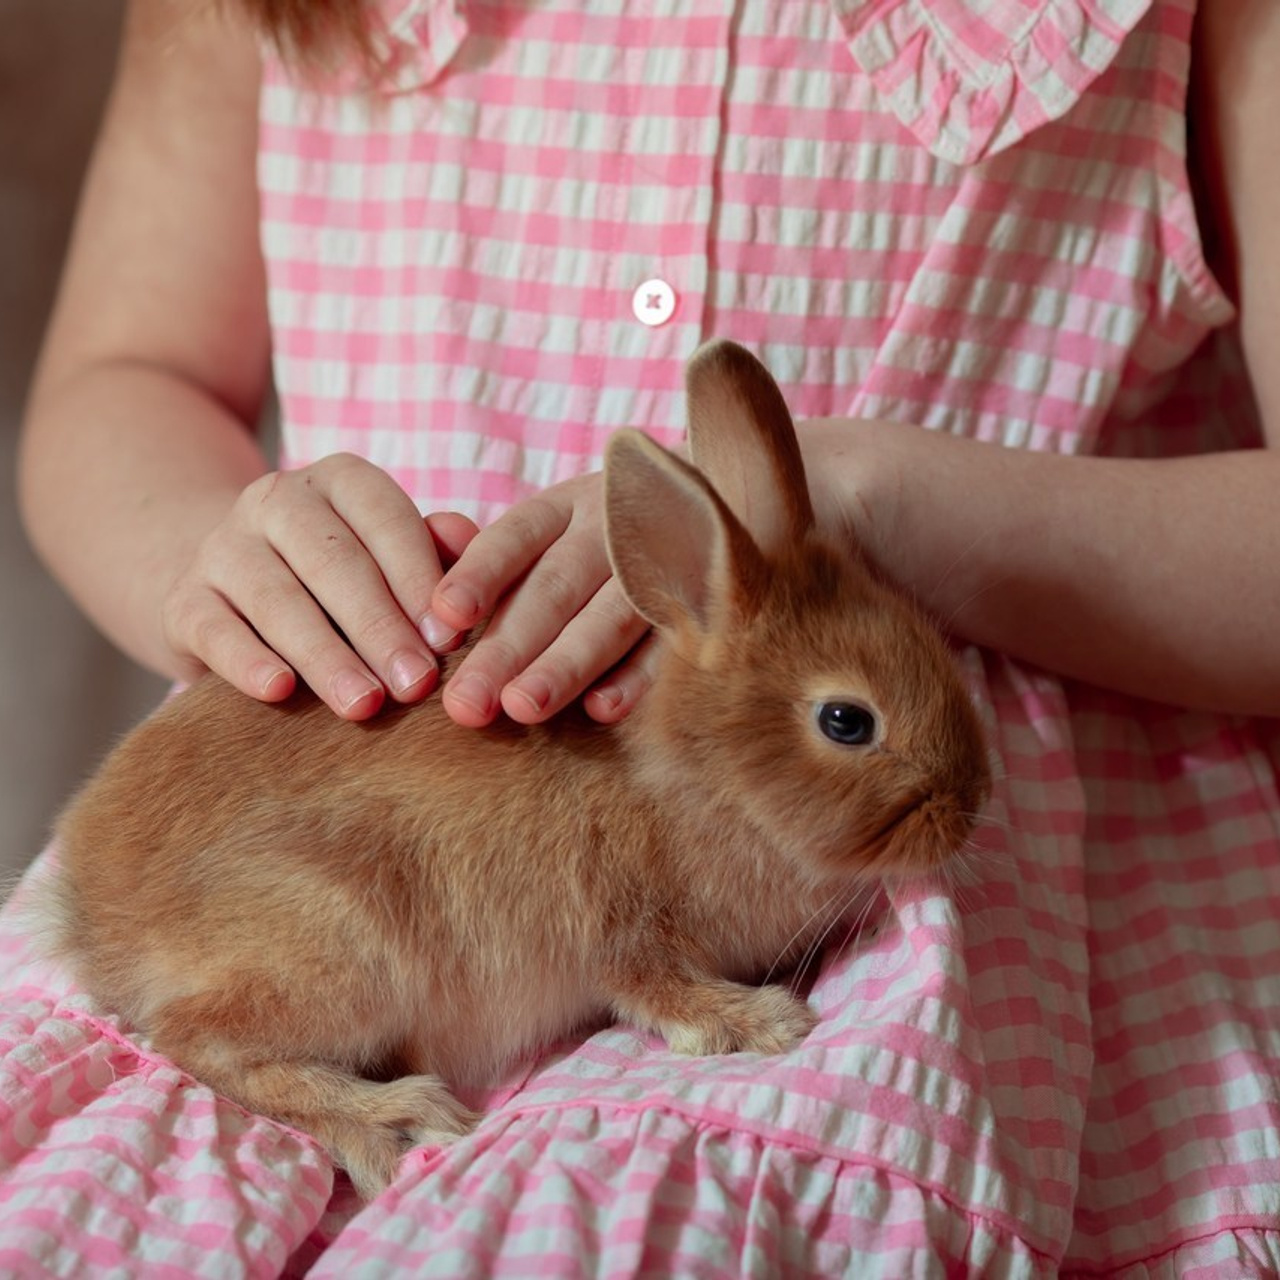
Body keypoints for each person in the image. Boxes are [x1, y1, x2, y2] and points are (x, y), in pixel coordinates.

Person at [4, 0, 1277, 1271]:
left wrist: (880, 496)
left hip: (993, 970)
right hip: (338, 828)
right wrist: (234, 569)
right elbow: (131, 374)